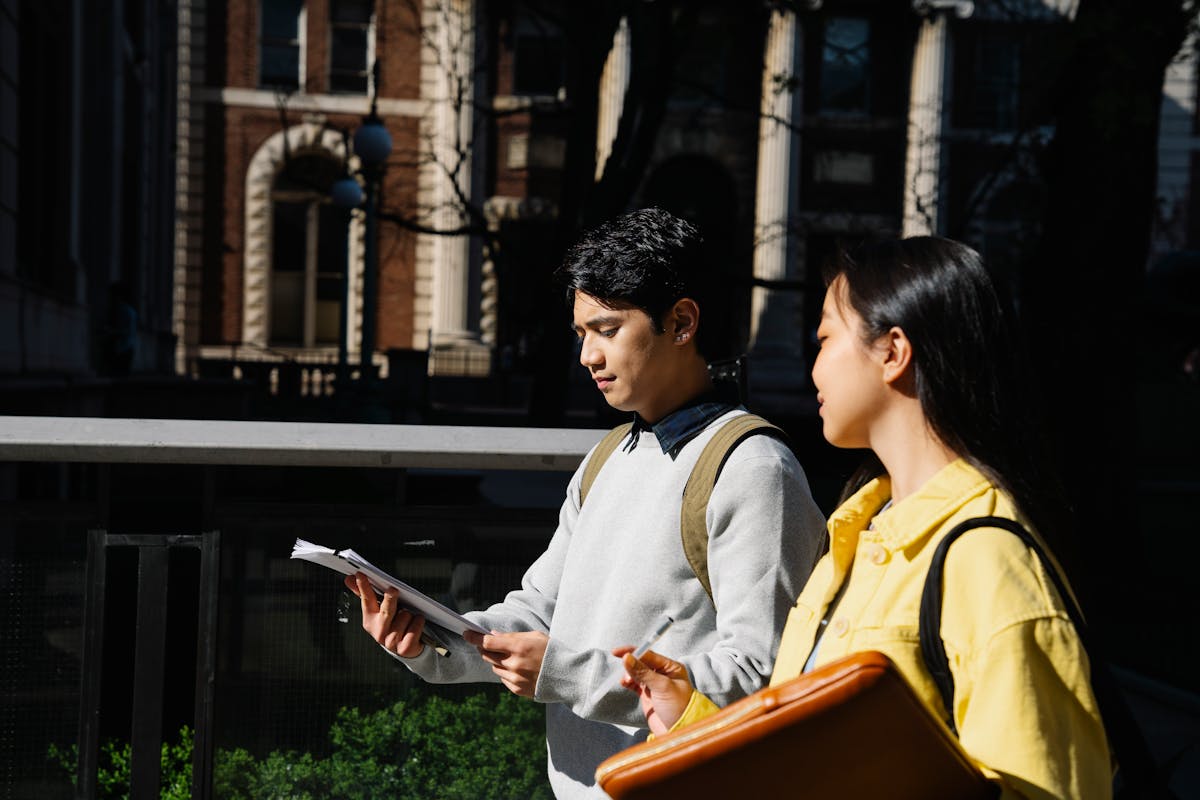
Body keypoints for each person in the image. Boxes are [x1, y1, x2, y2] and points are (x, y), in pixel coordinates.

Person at [345, 207, 827, 798]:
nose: (587, 358)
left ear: (681, 323)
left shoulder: (752, 468)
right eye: (581, 334)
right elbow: (540, 612)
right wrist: (434, 637)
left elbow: (763, 679)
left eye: (607, 330)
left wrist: (569, 674)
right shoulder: (607, 458)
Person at [617, 236, 1112, 800]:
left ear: (893, 351)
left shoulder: (987, 558)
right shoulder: (858, 537)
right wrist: (694, 720)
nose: (813, 362)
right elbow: (817, 763)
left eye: (825, 336)